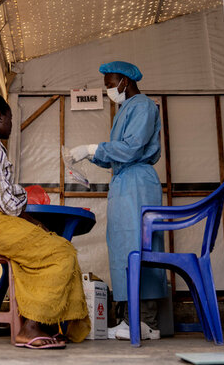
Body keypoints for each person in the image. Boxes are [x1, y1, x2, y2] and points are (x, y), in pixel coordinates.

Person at [0, 91, 90, 349]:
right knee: (60, 251)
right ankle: (30, 327)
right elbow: (3, 201)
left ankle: (49, 325)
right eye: (10, 118)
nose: (12, 125)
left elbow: (3, 196)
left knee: (41, 247)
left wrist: (24, 208)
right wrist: (24, 203)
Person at [71, 61, 167, 341]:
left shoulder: (143, 106)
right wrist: (88, 155)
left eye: (111, 84)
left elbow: (132, 147)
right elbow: (116, 154)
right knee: (125, 250)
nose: (109, 90)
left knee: (140, 247)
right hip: (125, 183)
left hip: (137, 184)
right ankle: (131, 319)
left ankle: (145, 321)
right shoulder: (125, 110)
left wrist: (92, 147)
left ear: (125, 81)